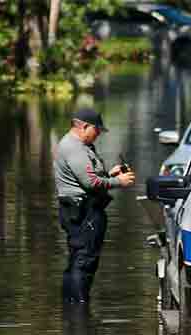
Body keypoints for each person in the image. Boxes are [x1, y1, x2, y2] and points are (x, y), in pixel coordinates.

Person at [53, 107, 136, 304]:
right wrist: (119, 182)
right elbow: (90, 183)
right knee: (84, 260)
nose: (98, 134)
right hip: (82, 212)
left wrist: (110, 175)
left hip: (82, 209)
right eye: (96, 130)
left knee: (79, 259)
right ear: (84, 126)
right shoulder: (74, 148)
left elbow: (89, 177)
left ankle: (72, 308)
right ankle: (79, 306)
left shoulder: (80, 146)